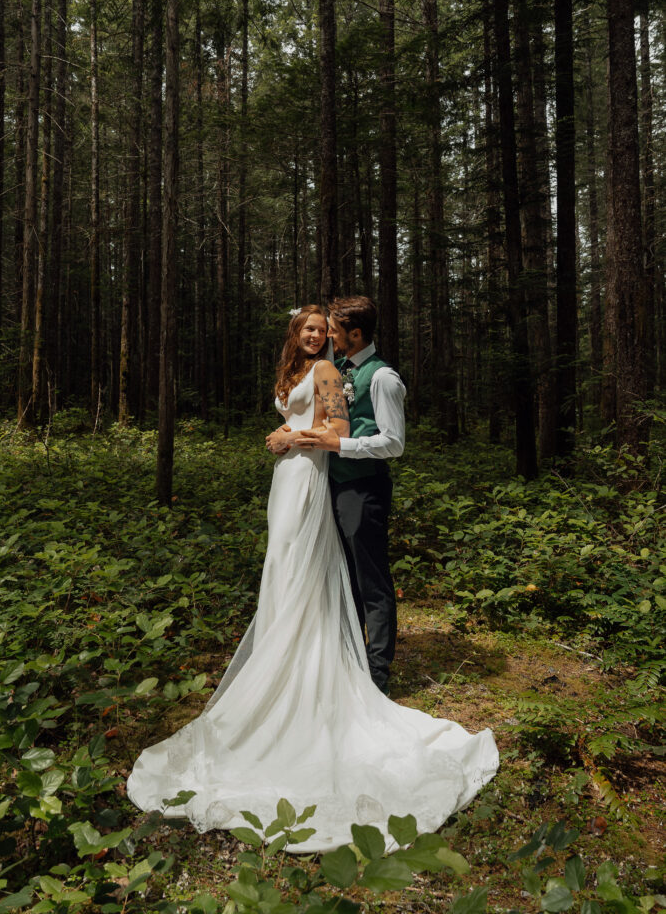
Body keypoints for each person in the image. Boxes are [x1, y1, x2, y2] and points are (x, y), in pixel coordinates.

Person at [127, 305, 498, 853]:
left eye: (322, 330)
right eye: (307, 328)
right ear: (294, 333)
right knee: (282, 567)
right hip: (289, 477)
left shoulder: (330, 373)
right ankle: (283, 656)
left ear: (335, 336)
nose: (315, 335)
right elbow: (304, 423)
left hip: (310, 474)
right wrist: (281, 438)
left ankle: (323, 671)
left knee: (309, 567)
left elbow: (336, 430)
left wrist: (289, 440)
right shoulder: (299, 371)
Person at [295, 296, 404, 696]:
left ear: (355, 335)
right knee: (345, 576)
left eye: (335, 332)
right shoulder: (337, 369)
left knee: (371, 578)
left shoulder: (382, 378)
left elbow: (393, 443)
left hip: (364, 486)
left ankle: (378, 673)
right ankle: (352, 656)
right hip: (334, 486)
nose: (329, 338)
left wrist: (343, 447)